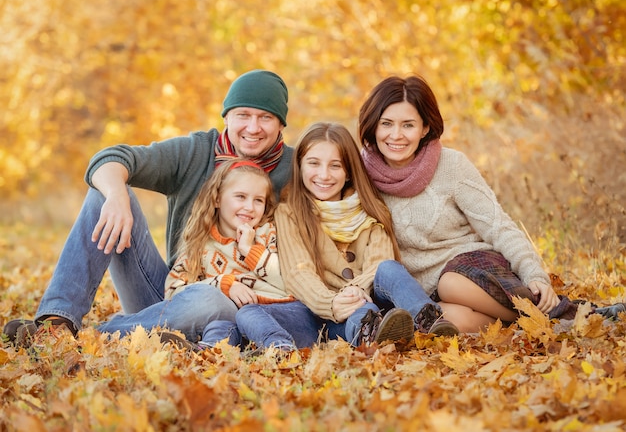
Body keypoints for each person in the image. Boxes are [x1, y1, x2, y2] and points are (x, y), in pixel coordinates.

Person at [3, 69, 294, 348]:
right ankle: (56, 324)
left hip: (242, 310)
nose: (253, 127)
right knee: (103, 194)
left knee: (212, 300)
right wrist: (117, 197)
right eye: (243, 115)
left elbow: (335, 189)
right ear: (227, 117)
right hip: (171, 292)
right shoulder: (194, 152)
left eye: (265, 117)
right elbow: (111, 158)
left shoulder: (297, 170)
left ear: (281, 124)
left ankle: (99, 338)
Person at [357, 74, 582, 333]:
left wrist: (534, 274)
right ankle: (531, 324)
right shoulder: (362, 177)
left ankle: (552, 317)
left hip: (473, 270)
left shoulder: (452, 165)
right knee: (450, 320)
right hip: (425, 293)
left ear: (425, 128)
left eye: (408, 125)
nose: (396, 135)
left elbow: (498, 225)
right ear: (374, 126)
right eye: (387, 124)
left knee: (450, 284)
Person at [236, 122, 459, 352]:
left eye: (335, 166)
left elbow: (377, 264)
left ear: (349, 172)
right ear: (300, 165)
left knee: (389, 269)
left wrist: (355, 291)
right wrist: (331, 303)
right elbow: (298, 271)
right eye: (313, 163)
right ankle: (365, 336)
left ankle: (428, 321)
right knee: (251, 313)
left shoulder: (369, 208)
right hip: (324, 311)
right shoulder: (290, 212)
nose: (324, 175)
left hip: (372, 299)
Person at [94, 159, 295, 347]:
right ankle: (126, 332)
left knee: (211, 304)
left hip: (269, 314)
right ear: (217, 199)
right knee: (207, 299)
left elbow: (291, 281)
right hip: (220, 316)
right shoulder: (201, 244)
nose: (249, 207)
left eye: (258, 200)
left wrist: (250, 251)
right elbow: (175, 293)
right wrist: (223, 285)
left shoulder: (268, 233)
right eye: (240, 197)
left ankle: (112, 330)